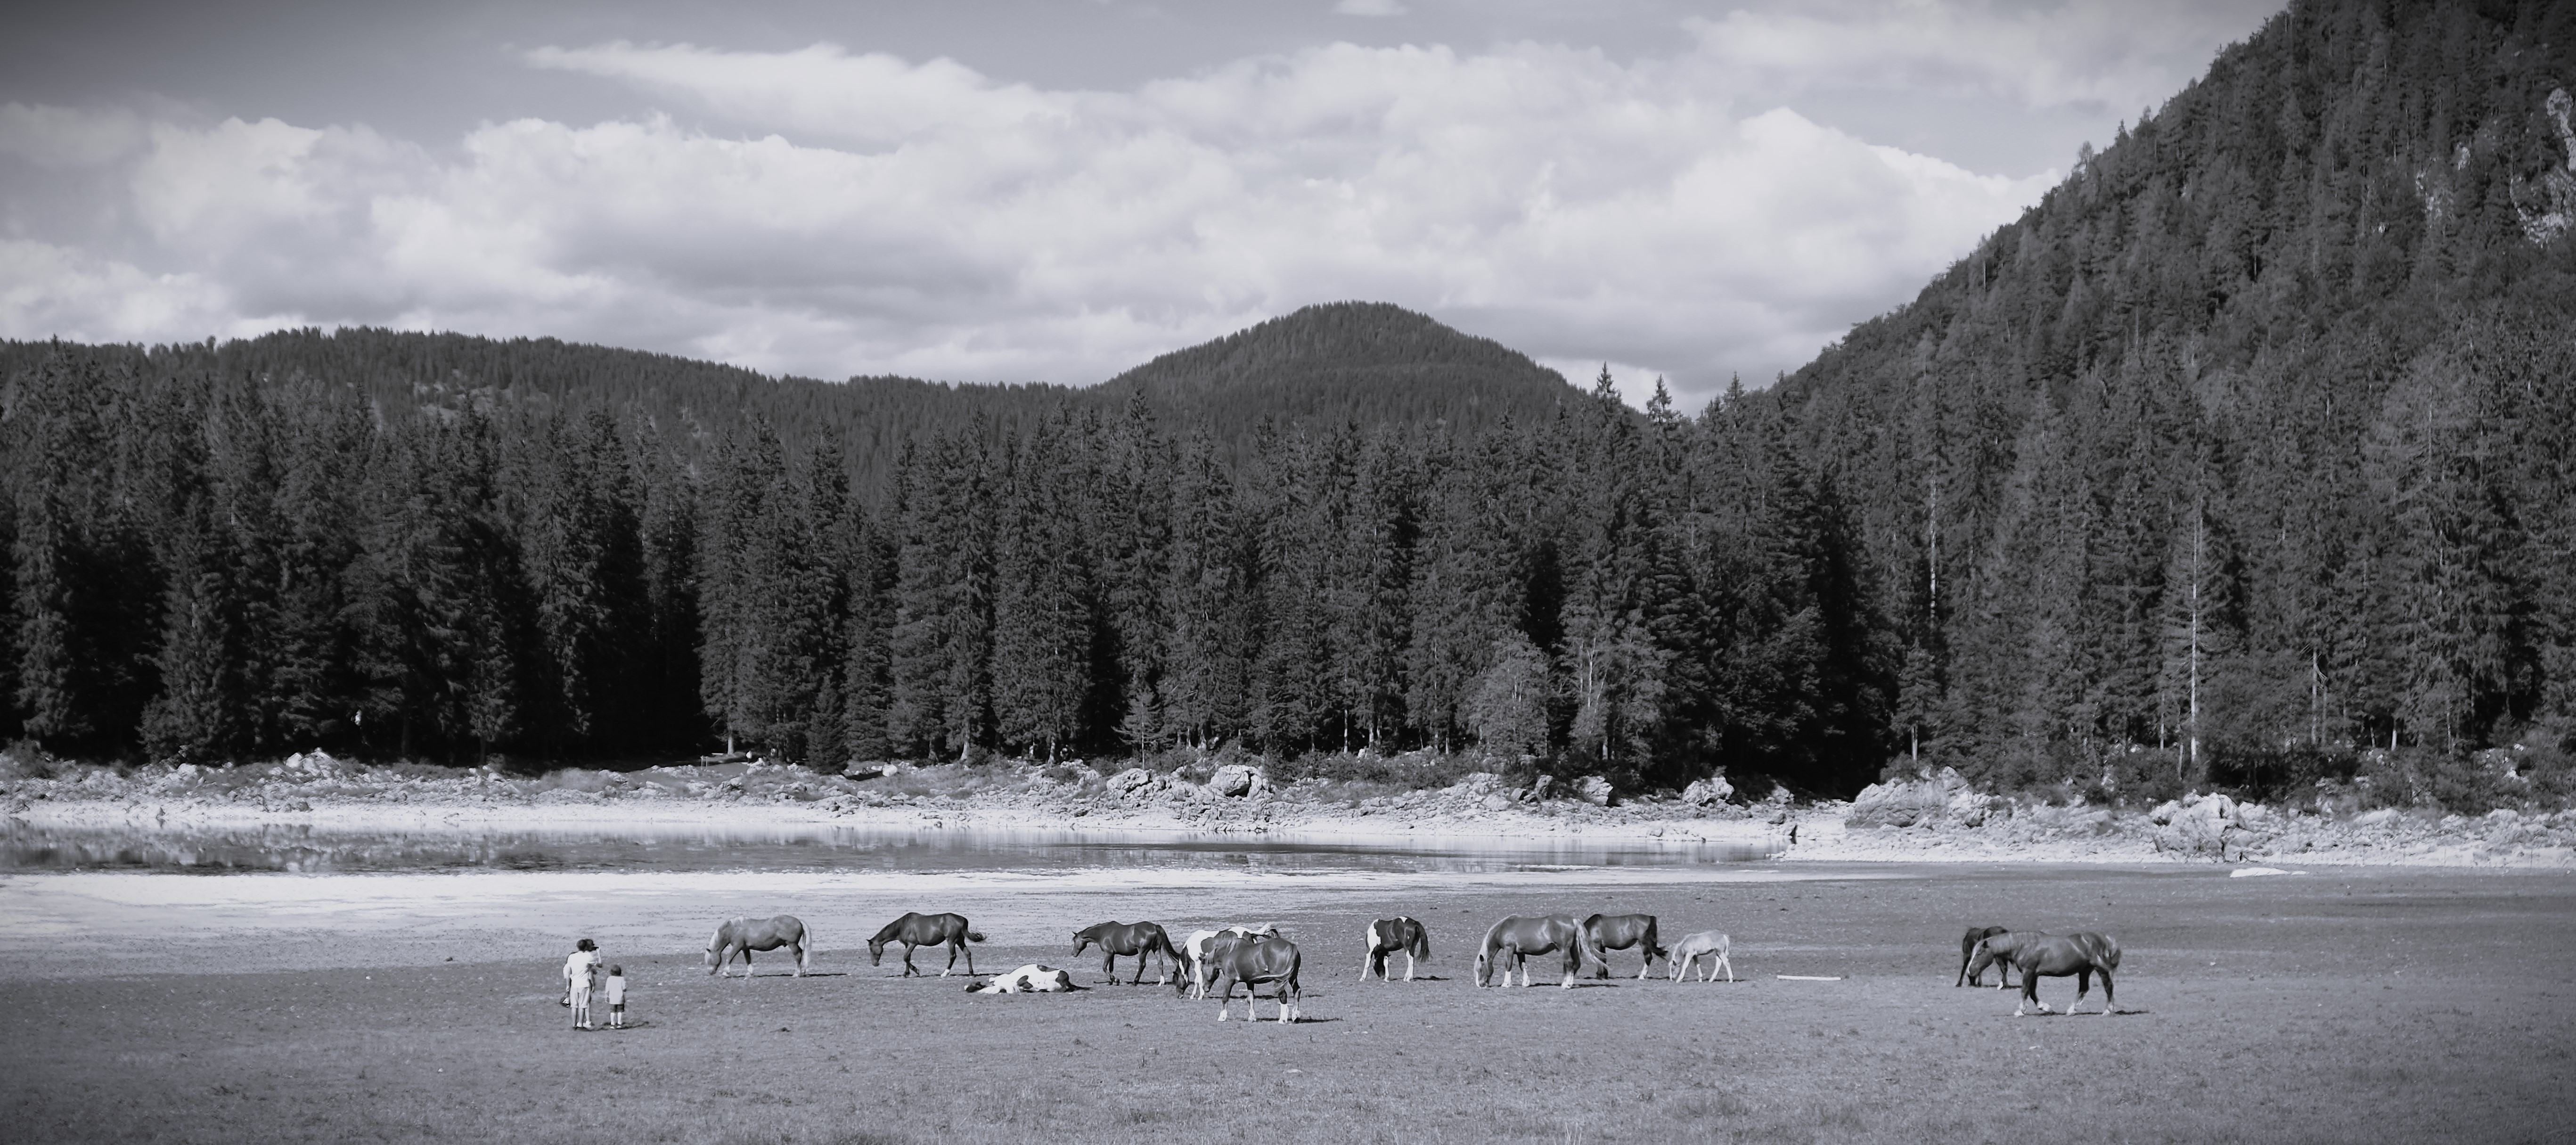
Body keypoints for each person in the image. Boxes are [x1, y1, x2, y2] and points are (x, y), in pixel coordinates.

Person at [562, 938, 600, 1024]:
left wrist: (568, 985)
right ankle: (580, 1024)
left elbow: (567, 971)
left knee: (574, 1006)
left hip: (574, 985)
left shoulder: (571, 957)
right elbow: (599, 965)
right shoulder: (588, 957)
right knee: (582, 1006)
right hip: (584, 984)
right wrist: (598, 953)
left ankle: (574, 1024)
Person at [603, 964, 628, 1029]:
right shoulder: (622, 979)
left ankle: (613, 1024)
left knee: (613, 1011)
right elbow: (624, 989)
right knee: (620, 1011)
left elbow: (607, 989)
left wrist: (606, 996)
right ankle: (620, 1024)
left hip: (612, 998)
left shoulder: (610, 979)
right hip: (620, 998)